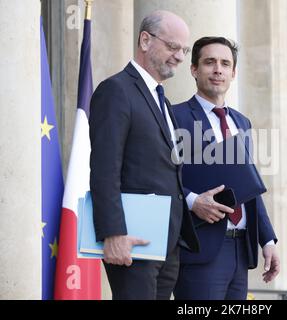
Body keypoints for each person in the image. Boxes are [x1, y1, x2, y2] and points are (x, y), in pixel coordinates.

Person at [89, 10, 199, 300]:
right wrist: (113, 233)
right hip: (131, 241)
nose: (179, 56)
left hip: (166, 242)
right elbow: (104, 168)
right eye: (173, 46)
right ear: (145, 40)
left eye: (184, 50)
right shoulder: (116, 90)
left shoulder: (163, 102)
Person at [172, 37, 280, 300]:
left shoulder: (242, 122)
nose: (218, 69)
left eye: (225, 63)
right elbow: (162, 176)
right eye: (209, 62)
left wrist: (267, 240)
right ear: (194, 70)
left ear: (233, 73)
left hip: (240, 251)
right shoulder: (175, 116)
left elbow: (250, 186)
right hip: (200, 249)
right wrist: (192, 201)